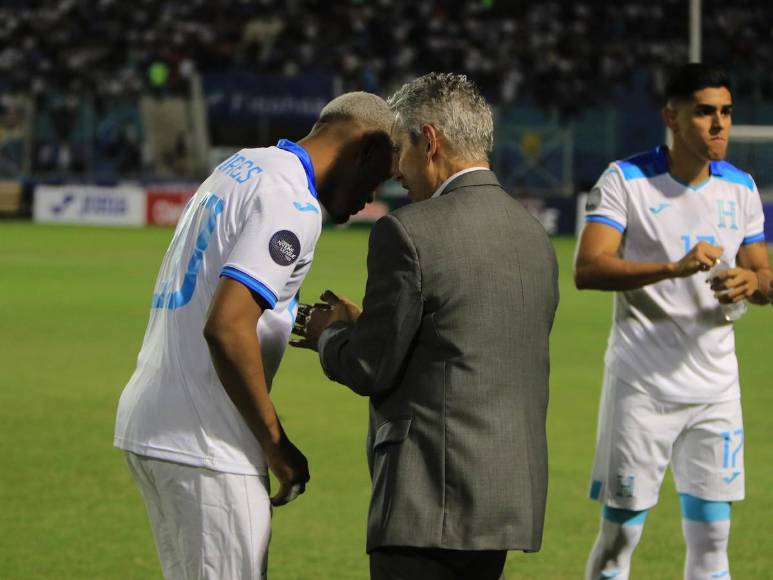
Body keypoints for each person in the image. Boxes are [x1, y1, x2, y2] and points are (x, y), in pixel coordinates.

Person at [114, 92, 394, 580]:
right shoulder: (293, 202)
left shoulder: (243, 166)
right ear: (363, 150)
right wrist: (276, 445)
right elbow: (226, 326)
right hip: (207, 441)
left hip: (158, 423)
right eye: (377, 178)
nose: (372, 197)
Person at [292, 72, 559, 580]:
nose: (396, 172)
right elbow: (464, 339)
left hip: (428, 499)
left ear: (430, 141)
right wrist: (371, 323)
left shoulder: (409, 231)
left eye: (400, 152)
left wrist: (329, 335)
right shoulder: (534, 237)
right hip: (504, 499)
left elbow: (371, 366)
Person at [575, 63, 772, 580]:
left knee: (713, 541)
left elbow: (766, 276)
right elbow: (588, 268)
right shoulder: (627, 180)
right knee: (621, 538)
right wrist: (673, 267)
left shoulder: (741, 187)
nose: (719, 125)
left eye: (726, 112)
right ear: (672, 116)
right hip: (643, 387)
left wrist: (754, 284)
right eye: (705, 111)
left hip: (715, 391)